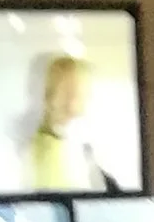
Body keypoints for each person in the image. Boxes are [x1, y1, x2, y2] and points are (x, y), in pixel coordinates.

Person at [27, 53, 114, 192]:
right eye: (68, 93)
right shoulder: (40, 149)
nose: (74, 104)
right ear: (49, 94)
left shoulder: (84, 145)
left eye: (81, 94)